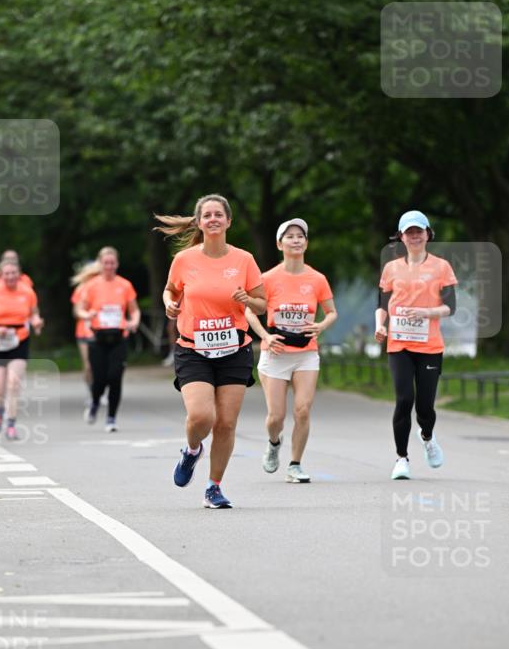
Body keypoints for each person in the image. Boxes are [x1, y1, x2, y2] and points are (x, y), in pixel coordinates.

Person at [155, 194, 266, 509]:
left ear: (229, 221)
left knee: (226, 424)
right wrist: (169, 305)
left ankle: (213, 487)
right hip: (194, 349)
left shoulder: (243, 260)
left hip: (235, 349)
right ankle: (192, 451)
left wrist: (247, 300)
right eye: (208, 215)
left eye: (219, 214)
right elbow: (169, 290)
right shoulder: (185, 260)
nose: (214, 219)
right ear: (200, 222)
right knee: (202, 416)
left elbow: (262, 303)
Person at [245, 218, 337, 483]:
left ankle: (295, 464)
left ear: (306, 243)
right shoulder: (268, 278)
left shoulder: (317, 278)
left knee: (303, 410)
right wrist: (264, 335)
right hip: (275, 354)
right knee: (276, 417)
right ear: (279, 243)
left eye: (300, 236)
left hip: (306, 353)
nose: (296, 240)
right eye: (290, 236)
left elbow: (332, 312)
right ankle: (274, 443)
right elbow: (250, 311)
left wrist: (320, 325)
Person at [374, 210, 457, 480]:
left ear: (428, 234)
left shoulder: (441, 267)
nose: (414, 236)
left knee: (425, 406)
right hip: (399, 345)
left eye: (419, 231)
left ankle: (428, 437)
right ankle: (401, 458)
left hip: (430, 346)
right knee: (403, 399)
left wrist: (426, 313)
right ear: (401, 237)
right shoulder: (391, 268)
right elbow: (382, 304)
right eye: (409, 232)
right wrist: (380, 325)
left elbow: (451, 307)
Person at [0, 259, 44, 439]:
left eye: (14, 273)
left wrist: (36, 321)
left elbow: (34, 312)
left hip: (19, 339)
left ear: (19, 274)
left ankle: (11, 425)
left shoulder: (27, 292)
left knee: (14, 383)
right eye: (7, 273)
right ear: (0, 275)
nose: (11, 277)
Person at [75, 247, 140, 433]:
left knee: (115, 377)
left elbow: (134, 310)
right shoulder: (91, 285)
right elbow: (79, 309)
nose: (109, 266)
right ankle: (95, 402)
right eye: (106, 263)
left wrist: (133, 321)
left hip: (119, 337)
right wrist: (87, 314)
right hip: (97, 338)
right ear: (100, 264)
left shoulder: (125, 285)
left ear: (117, 264)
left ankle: (111, 418)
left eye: (112, 263)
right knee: (99, 379)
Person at [70, 260, 100, 402]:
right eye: (93, 274)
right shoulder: (81, 289)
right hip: (84, 331)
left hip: (102, 330)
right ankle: (91, 391)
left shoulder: (105, 288)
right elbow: (76, 312)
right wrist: (86, 314)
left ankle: (101, 389)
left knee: (101, 363)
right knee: (89, 364)